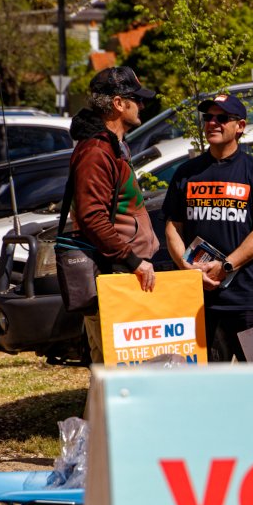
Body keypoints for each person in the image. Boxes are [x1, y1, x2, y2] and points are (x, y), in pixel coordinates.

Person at [162, 94, 253, 363]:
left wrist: (225, 266)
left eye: (222, 118)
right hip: (198, 299)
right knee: (208, 382)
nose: (213, 123)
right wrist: (187, 268)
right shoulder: (186, 172)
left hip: (246, 297)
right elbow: (173, 226)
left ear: (239, 126)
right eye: (208, 118)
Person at [68, 66, 160, 364]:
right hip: (113, 272)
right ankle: (102, 413)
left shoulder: (113, 144)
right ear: (119, 104)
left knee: (119, 362)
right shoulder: (96, 150)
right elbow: (91, 216)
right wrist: (132, 261)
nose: (142, 105)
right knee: (111, 362)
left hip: (122, 271)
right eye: (137, 98)